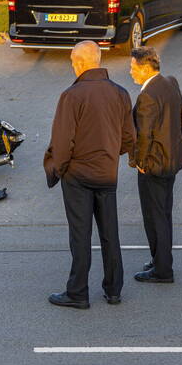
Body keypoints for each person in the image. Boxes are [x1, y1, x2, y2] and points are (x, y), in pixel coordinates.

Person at [44, 41, 135, 309]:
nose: (72, 64)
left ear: (81, 61)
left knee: (80, 235)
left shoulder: (71, 96)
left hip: (78, 176)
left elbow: (62, 142)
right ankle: (113, 289)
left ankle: (78, 292)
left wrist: (55, 170)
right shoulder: (120, 94)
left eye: (73, 60)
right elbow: (129, 138)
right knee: (110, 233)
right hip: (107, 174)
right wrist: (108, 154)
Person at [127, 47, 182, 284]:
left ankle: (162, 270)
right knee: (164, 212)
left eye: (133, 67)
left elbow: (144, 135)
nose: (131, 71)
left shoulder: (147, 96)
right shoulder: (170, 82)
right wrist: (174, 139)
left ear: (145, 68)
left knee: (154, 216)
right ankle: (160, 259)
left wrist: (139, 162)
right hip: (172, 160)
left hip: (153, 164)